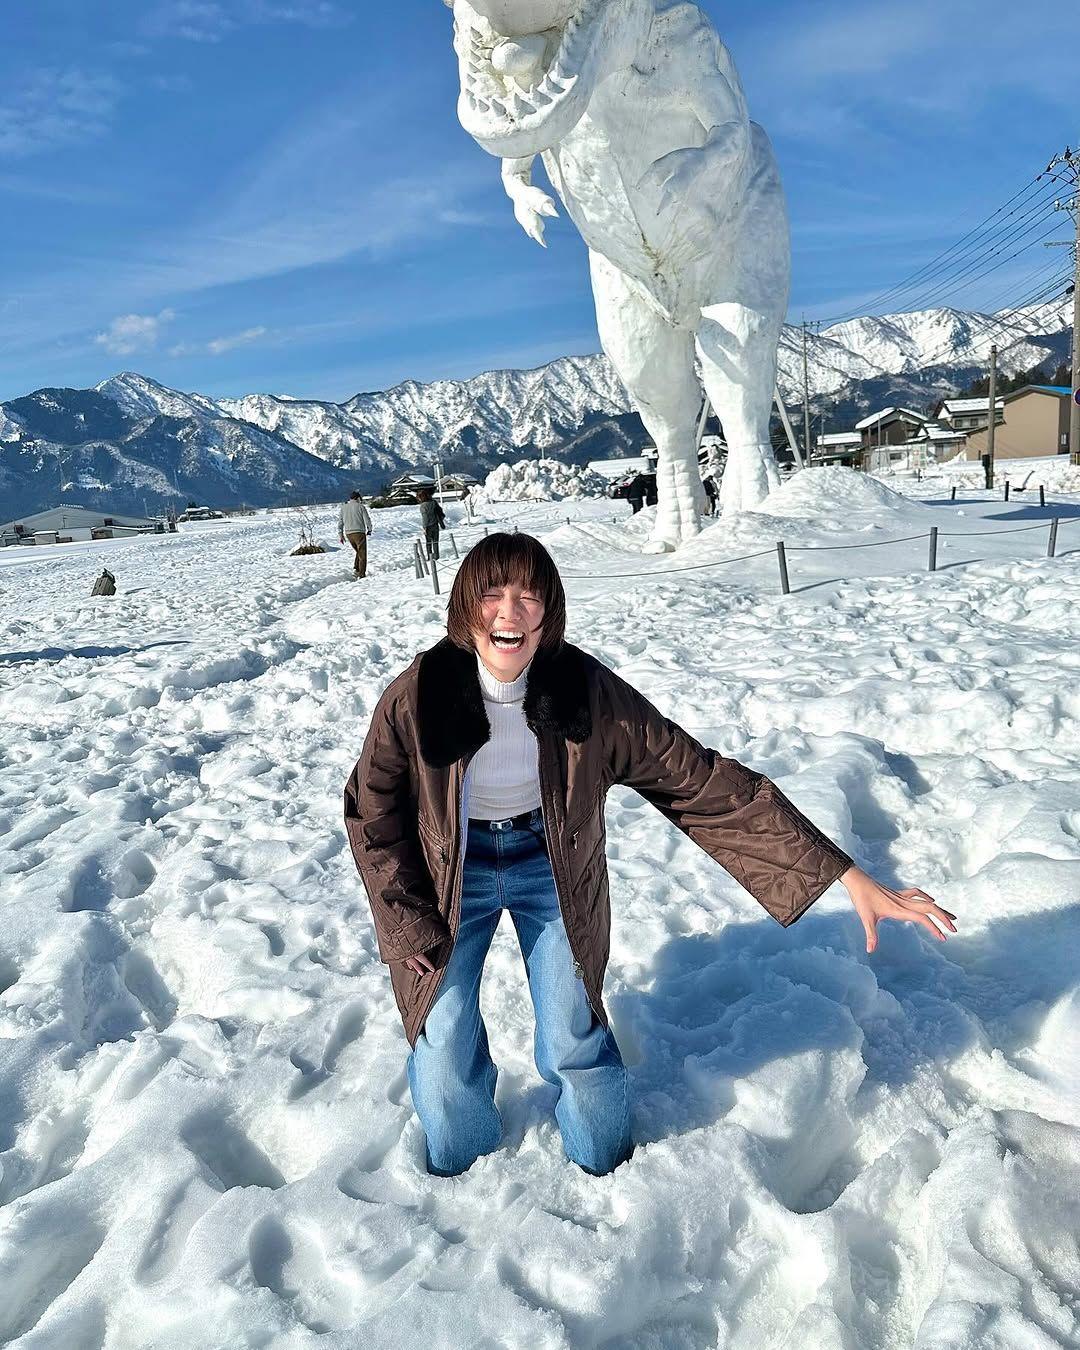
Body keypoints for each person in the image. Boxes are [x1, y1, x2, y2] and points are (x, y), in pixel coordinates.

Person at [343, 533, 956, 1179]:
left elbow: (699, 778)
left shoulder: (583, 692)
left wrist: (842, 870)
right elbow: (371, 809)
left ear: (549, 612)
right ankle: (458, 1173)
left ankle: (607, 1174)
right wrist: (402, 915)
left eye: (529, 595)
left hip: (551, 870)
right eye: (492, 593)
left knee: (574, 1034)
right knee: (441, 1039)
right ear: (465, 606)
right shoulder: (418, 695)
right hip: (444, 880)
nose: (509, 611)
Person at [338, 491, 373, 578]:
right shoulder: (361, 507)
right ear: (358, 498)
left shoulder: (343, 508)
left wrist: (341, 535)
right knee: (362, 554)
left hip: (348, 534)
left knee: (358, 551)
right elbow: (367, 519)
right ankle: (361, 574)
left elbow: (340, 523)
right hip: (359, 533)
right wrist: (369, 529)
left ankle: (356, 569)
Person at [418, 488, 447, 560]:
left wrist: (424, 528)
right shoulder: (434, 502)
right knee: (435, 542)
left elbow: (425, 517)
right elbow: (440, 512)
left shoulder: (423, 506)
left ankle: (430, 557)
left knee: (428, 543)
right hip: (435, 525)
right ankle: (436, 557)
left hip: (428, 526)